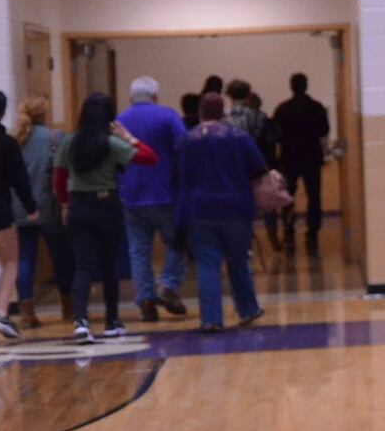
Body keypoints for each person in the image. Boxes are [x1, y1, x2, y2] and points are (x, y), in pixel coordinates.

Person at [55, 93, 160, 343]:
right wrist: (129, 137)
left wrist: (65, 204)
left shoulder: (69, 142)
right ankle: (111, 320)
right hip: (107, 205)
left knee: (82, 266)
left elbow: (59, 178)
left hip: (79, 205)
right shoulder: (111, 143)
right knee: (108, 264)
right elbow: (149, 157)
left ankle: (80, 321)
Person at [177, 92, 266, 332]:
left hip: (200, 209)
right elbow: (258, 168)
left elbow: (181, 177)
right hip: (235, 207)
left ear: (199, 112)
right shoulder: (238, 136)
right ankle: (248, 309)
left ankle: (211, 319)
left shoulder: (188, 139)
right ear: (223, 111)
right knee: (238, 261)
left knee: (207, 264)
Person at [117, 76, 189, 321]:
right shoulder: (169, 117)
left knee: (138, 250)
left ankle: (145, 298)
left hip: (130, 194)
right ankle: (168, 284)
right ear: (156, 96)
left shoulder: (119, 121)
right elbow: (183, 150)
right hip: (165, 192)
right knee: (178, 242)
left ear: (130, 98)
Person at [12, 96, 74, 329]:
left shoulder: (13, 139)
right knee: (61, 256)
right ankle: (68, 304)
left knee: (25, 258)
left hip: (17, 207)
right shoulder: (54, 137)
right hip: (48, 205)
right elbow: (61, 171)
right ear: (44, 115)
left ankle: (27, 311)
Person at [0, 90, 38, 342]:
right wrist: (31, 206)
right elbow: (20, 179)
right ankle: (1, 313)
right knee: (10, 261)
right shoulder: (6, 142)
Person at [272, 72, 330, 255]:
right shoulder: (316, 107)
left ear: (291, 86)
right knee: (314, 195)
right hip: (311, 155)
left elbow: (276, 134)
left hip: (290, 156)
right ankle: (312, 232)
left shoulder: (283, 109)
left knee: (288, 195)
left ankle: (288, 230)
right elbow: (324, 130)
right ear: (306, 85)